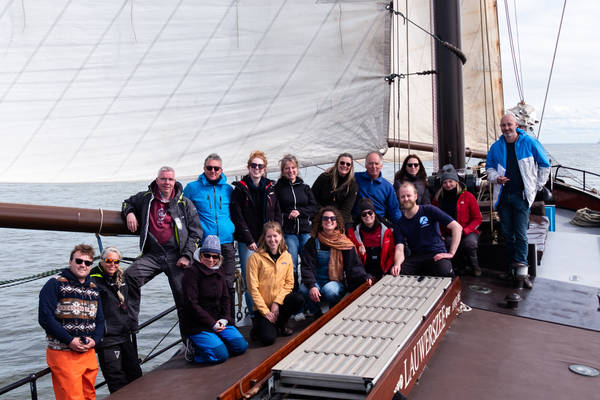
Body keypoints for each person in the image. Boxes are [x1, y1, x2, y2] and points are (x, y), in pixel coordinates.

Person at [122, 166, 203, 335]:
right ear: (157, 180)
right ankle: (130, 326)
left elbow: (196, 233)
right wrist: (129, 213)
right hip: (154, 254)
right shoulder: (145, 198)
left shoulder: (185, 203)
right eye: (163, 179)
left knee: (185, 298)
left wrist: (187, 256)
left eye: (170, 179)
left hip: (177, 256)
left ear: (175, 181)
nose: (167, 183)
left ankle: (191, 340)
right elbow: (127, 203)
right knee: (129, 276)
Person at [486, 114, 550, 288]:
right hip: (504, 197)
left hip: (521, 197)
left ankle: (522, 273)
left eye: (509, 124)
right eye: (503, 125)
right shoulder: (496, 146)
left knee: (521, 234)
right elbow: (489, 167)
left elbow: (545, 165)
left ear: (516, 125)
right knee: (507, 234)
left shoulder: (529, 143)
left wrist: (536, 186)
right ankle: (510, 270)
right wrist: (495, 177)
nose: (506, 128)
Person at [38, 244, 104, 400]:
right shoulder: (55, 284)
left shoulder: (93, 288)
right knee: (71, 397)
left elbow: (100, 319)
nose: (83, 265)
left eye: (87, 263)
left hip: (88, 352)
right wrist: (70, 340)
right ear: (70, 262)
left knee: (89, 395)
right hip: (63, 353)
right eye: (79, 261)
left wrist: (94, 340)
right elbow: (45, 318)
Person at [184, 154, 237, 317]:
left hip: (226, 242)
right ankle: (208, 321)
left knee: (228, 283)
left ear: (221, 170)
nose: (213, 171)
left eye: (216, 168)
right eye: (209, 168)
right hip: (205, 244)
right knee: (205, 284)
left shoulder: (228, 189)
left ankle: (229, 320)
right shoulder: (192, 188)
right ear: (204, 168)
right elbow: (183, 212)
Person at [181, 235, 248, 363]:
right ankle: (194, 351)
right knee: (220, 356)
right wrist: (212, 323)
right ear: (201, 255)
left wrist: (225, 319)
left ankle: (216, 341)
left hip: (218, 321)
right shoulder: (191, 273)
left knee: (241, 346)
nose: (211, 260)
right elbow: (192, 305)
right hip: (198, 324)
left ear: (219, 258)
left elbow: (225, 298)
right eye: (207, 255)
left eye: (215, 256)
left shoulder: (219, 271)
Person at [230, 151, 281, 318]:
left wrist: (276, 237)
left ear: (264, 169)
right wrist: (249, 239)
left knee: (270, 276)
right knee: (251, 278)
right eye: (253, 166)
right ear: (248, 168)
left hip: (269, 240)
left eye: (260, 166)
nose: (256, 169)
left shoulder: (271, 188)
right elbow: (238, 217)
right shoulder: (239, 189)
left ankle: (270, 310)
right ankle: (255, 314)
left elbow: (277, 213)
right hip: (248, 242)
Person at [301, 206, 372, 314]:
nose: (329, 221)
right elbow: (306, 266)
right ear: (321, 222)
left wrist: (365, 277)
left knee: (330, 290)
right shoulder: (312, 242)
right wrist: (312, 285)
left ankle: (333, 313)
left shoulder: (344, 243)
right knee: (303, 289)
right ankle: (316, 314)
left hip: (335, 282)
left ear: (337, 222)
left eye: (332, 218)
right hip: (316, 281)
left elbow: (354, 266)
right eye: (325, 218)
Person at [90, 247, 142, 393]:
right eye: (108, 261)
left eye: (116, 261)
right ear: (101, 260)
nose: (112, 264)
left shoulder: (122, 278)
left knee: (135, 374)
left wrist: (132, 323)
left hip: (124, 335)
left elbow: (131, 300)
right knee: (116, 379)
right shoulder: (93, 279)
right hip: (107, 340)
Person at [246, 222, 304, 346]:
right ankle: (258, 328)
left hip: (278, 304)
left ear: (281, 237)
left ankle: (281, 324)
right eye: (269, 236)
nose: (272, 240)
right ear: (264, 238)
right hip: (263, 309)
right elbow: (252, 288)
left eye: (275, 236)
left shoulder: (287, 256)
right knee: (268, 339)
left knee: (297, 299)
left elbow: (289, 284)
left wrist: (277, 302)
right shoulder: (255, 258)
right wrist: (266, 311)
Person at [390, 183, 462, 278]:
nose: (406, 199)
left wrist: (451, 253)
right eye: (402, 197)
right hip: (416, 257)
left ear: (415, 196)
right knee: (397, 274)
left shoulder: (429, 210)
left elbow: (457, 227)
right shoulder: (399, 224)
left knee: (445, 273)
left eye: (409, 195)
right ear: (399, 199)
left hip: (436, 254)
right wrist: (397, 264)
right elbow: (399, 249)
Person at [274, 154, 318, 286]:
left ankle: (309, 290)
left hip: (305, 230)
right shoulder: (278, 189)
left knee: (308, 262)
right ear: (282, 171)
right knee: (291, 264)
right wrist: (286, 215)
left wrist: (300, 212)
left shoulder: (304, 187)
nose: (290, 171)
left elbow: (314, 207)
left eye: (293, 168)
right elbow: (275, 210)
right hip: (289, 232)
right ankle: (293, 292)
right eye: (287, 168)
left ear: (297, 169)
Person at [432, 164, 483, 276]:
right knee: (448, 242)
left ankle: (475, 267)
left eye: (450, 181)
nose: (448, 184)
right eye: (445, 182)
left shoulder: (468, 196)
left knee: (470, 243)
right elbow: (435, 219)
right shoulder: (437, 199)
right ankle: (459, 267)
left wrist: (466, 230)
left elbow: (477, 219)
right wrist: (439, 234)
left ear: (456, 181)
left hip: (467, 231)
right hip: (449, 232)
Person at [347, 198, 395, 280]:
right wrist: (360, 253)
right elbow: (352, 259)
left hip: (384, 269)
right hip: (364, 272)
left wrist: (386, 272)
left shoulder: (387, 230)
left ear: (374, 213)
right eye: (364, 214)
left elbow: (392, 253)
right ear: (360, 217)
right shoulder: (353, 233)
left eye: (370, 212)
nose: (367, 216)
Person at [353, 151, 402, 226]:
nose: (373, 166)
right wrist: (331, 171)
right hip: (358, 222)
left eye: (376, 163)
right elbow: (342, 174)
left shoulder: (388, 187)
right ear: (365, 165)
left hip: (379, 224)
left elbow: (394, 210)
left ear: (381, 165)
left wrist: (402, 226)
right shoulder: (355, 178)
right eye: (370, 163)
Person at [311, 152, 358, 230]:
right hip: (319, 217)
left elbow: (346, 210)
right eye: (342, 163)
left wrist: (335, 223)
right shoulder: (324, 177)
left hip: (339, 222)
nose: (344, 166)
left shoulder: (352, 185)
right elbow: (312, 198)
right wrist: (324, 216)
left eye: (348, 164)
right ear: (337, 164)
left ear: (351, 167)